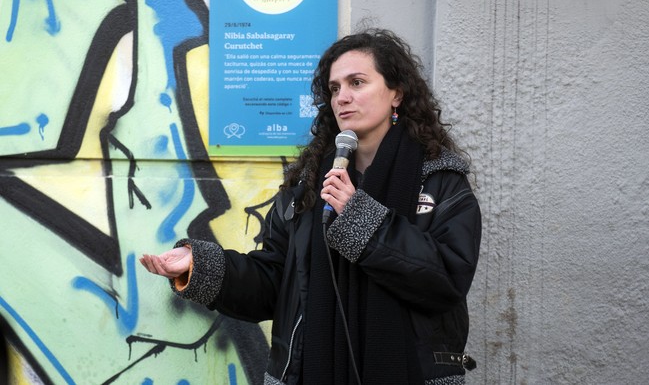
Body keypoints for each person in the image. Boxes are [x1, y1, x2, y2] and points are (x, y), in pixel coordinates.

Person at [140, 28, 482, 385]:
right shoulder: (306, 187)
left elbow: (446, 279)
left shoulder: (440, 180)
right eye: (335, 88)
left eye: (357, 83)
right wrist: (201, 266)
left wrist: (360, 219)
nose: (342, 98)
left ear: (396, 93)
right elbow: (275, 283)